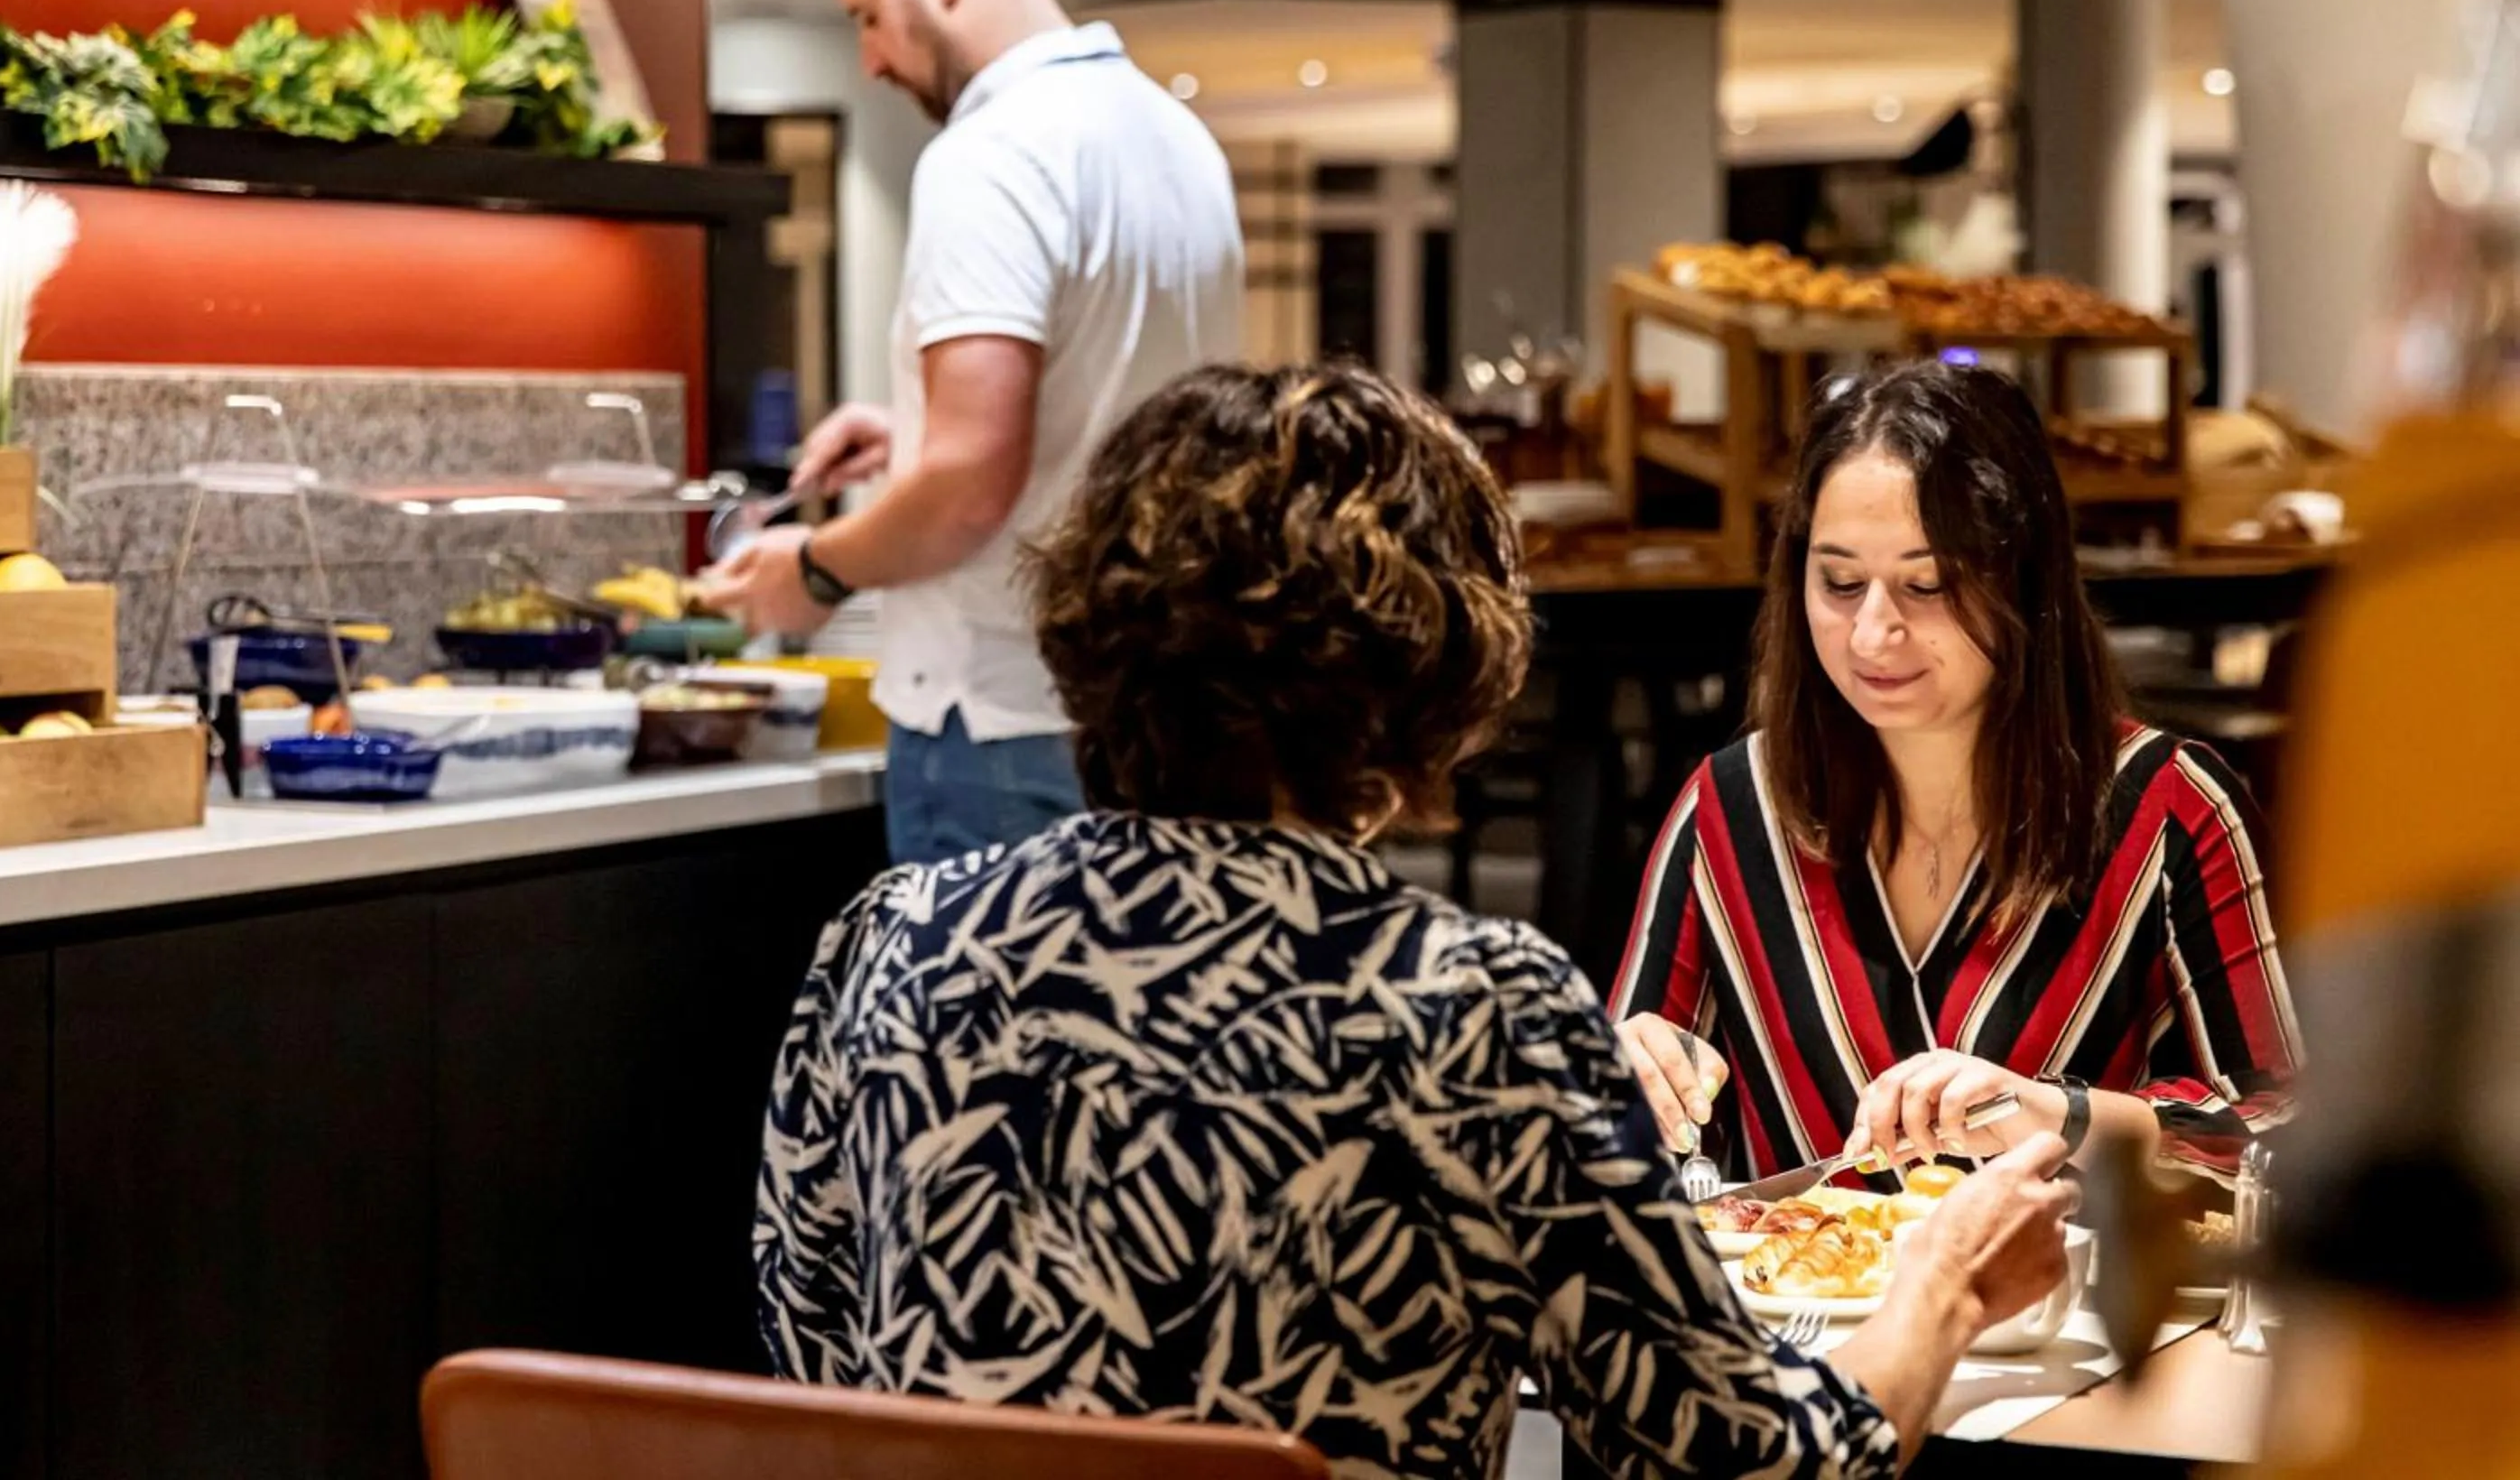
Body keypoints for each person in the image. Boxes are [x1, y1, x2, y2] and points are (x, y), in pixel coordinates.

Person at [756, 362, 2078, 1480]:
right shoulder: (1469, 1008)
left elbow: (811, 1340)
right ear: (1440, 669)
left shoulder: (891, 938)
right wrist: (1944, 1285)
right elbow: (1746, 1462)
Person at [1612, 359, 2302, 1186]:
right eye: (1839, 582)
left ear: (2024, 580)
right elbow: (1617, 1144)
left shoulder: (2172, 810)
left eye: (1926, 584)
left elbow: (2284, 1130)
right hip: (1807, 1308)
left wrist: (2059, 1113)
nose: (1872, 633)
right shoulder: (1731, 809)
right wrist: (1627, 1076)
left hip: (2070, 1313)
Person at [697, 0, 1242, 865]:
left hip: (997, 717)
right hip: (1155, 710)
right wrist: (913, 430)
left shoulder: (991, 154)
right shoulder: (1177, 139)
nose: (868, 59)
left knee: (989, 1028)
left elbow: (968, 487)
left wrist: (810, 568)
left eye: (866, 14)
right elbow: (1121, 415)